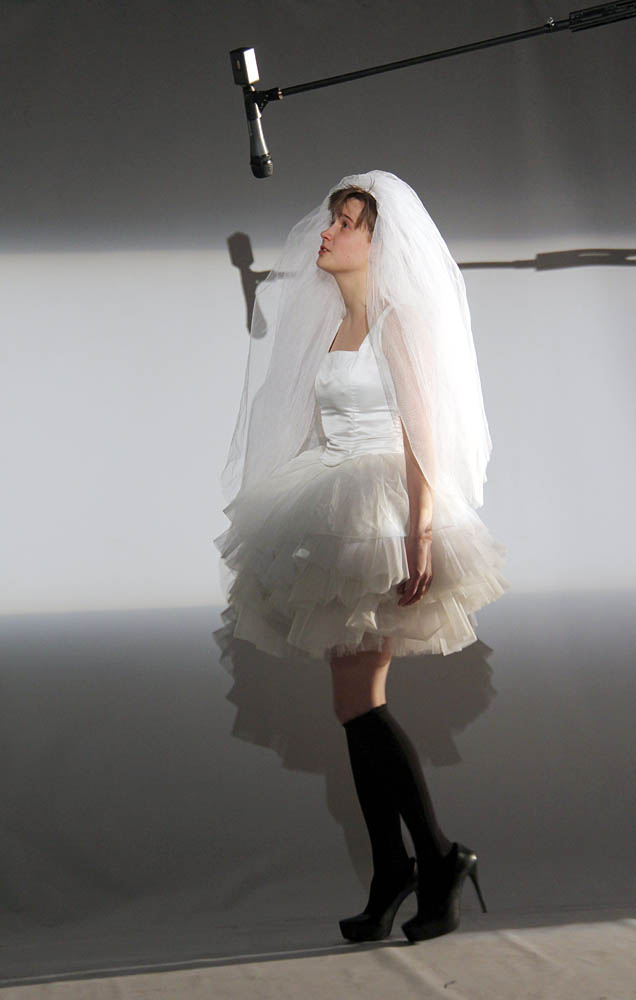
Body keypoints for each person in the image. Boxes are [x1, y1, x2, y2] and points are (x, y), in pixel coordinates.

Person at [213, 170, 509, 943]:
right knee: (352, 705)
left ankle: (433, 860)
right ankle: (399, 870)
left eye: (347, 223)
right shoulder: (333, 326)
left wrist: (419, 529)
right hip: (337, 504)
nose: (328, 232)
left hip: (383, 513)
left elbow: (422, 428)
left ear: (381, 244)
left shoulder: (397, 320)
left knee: (359, 702)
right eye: (333, 219)